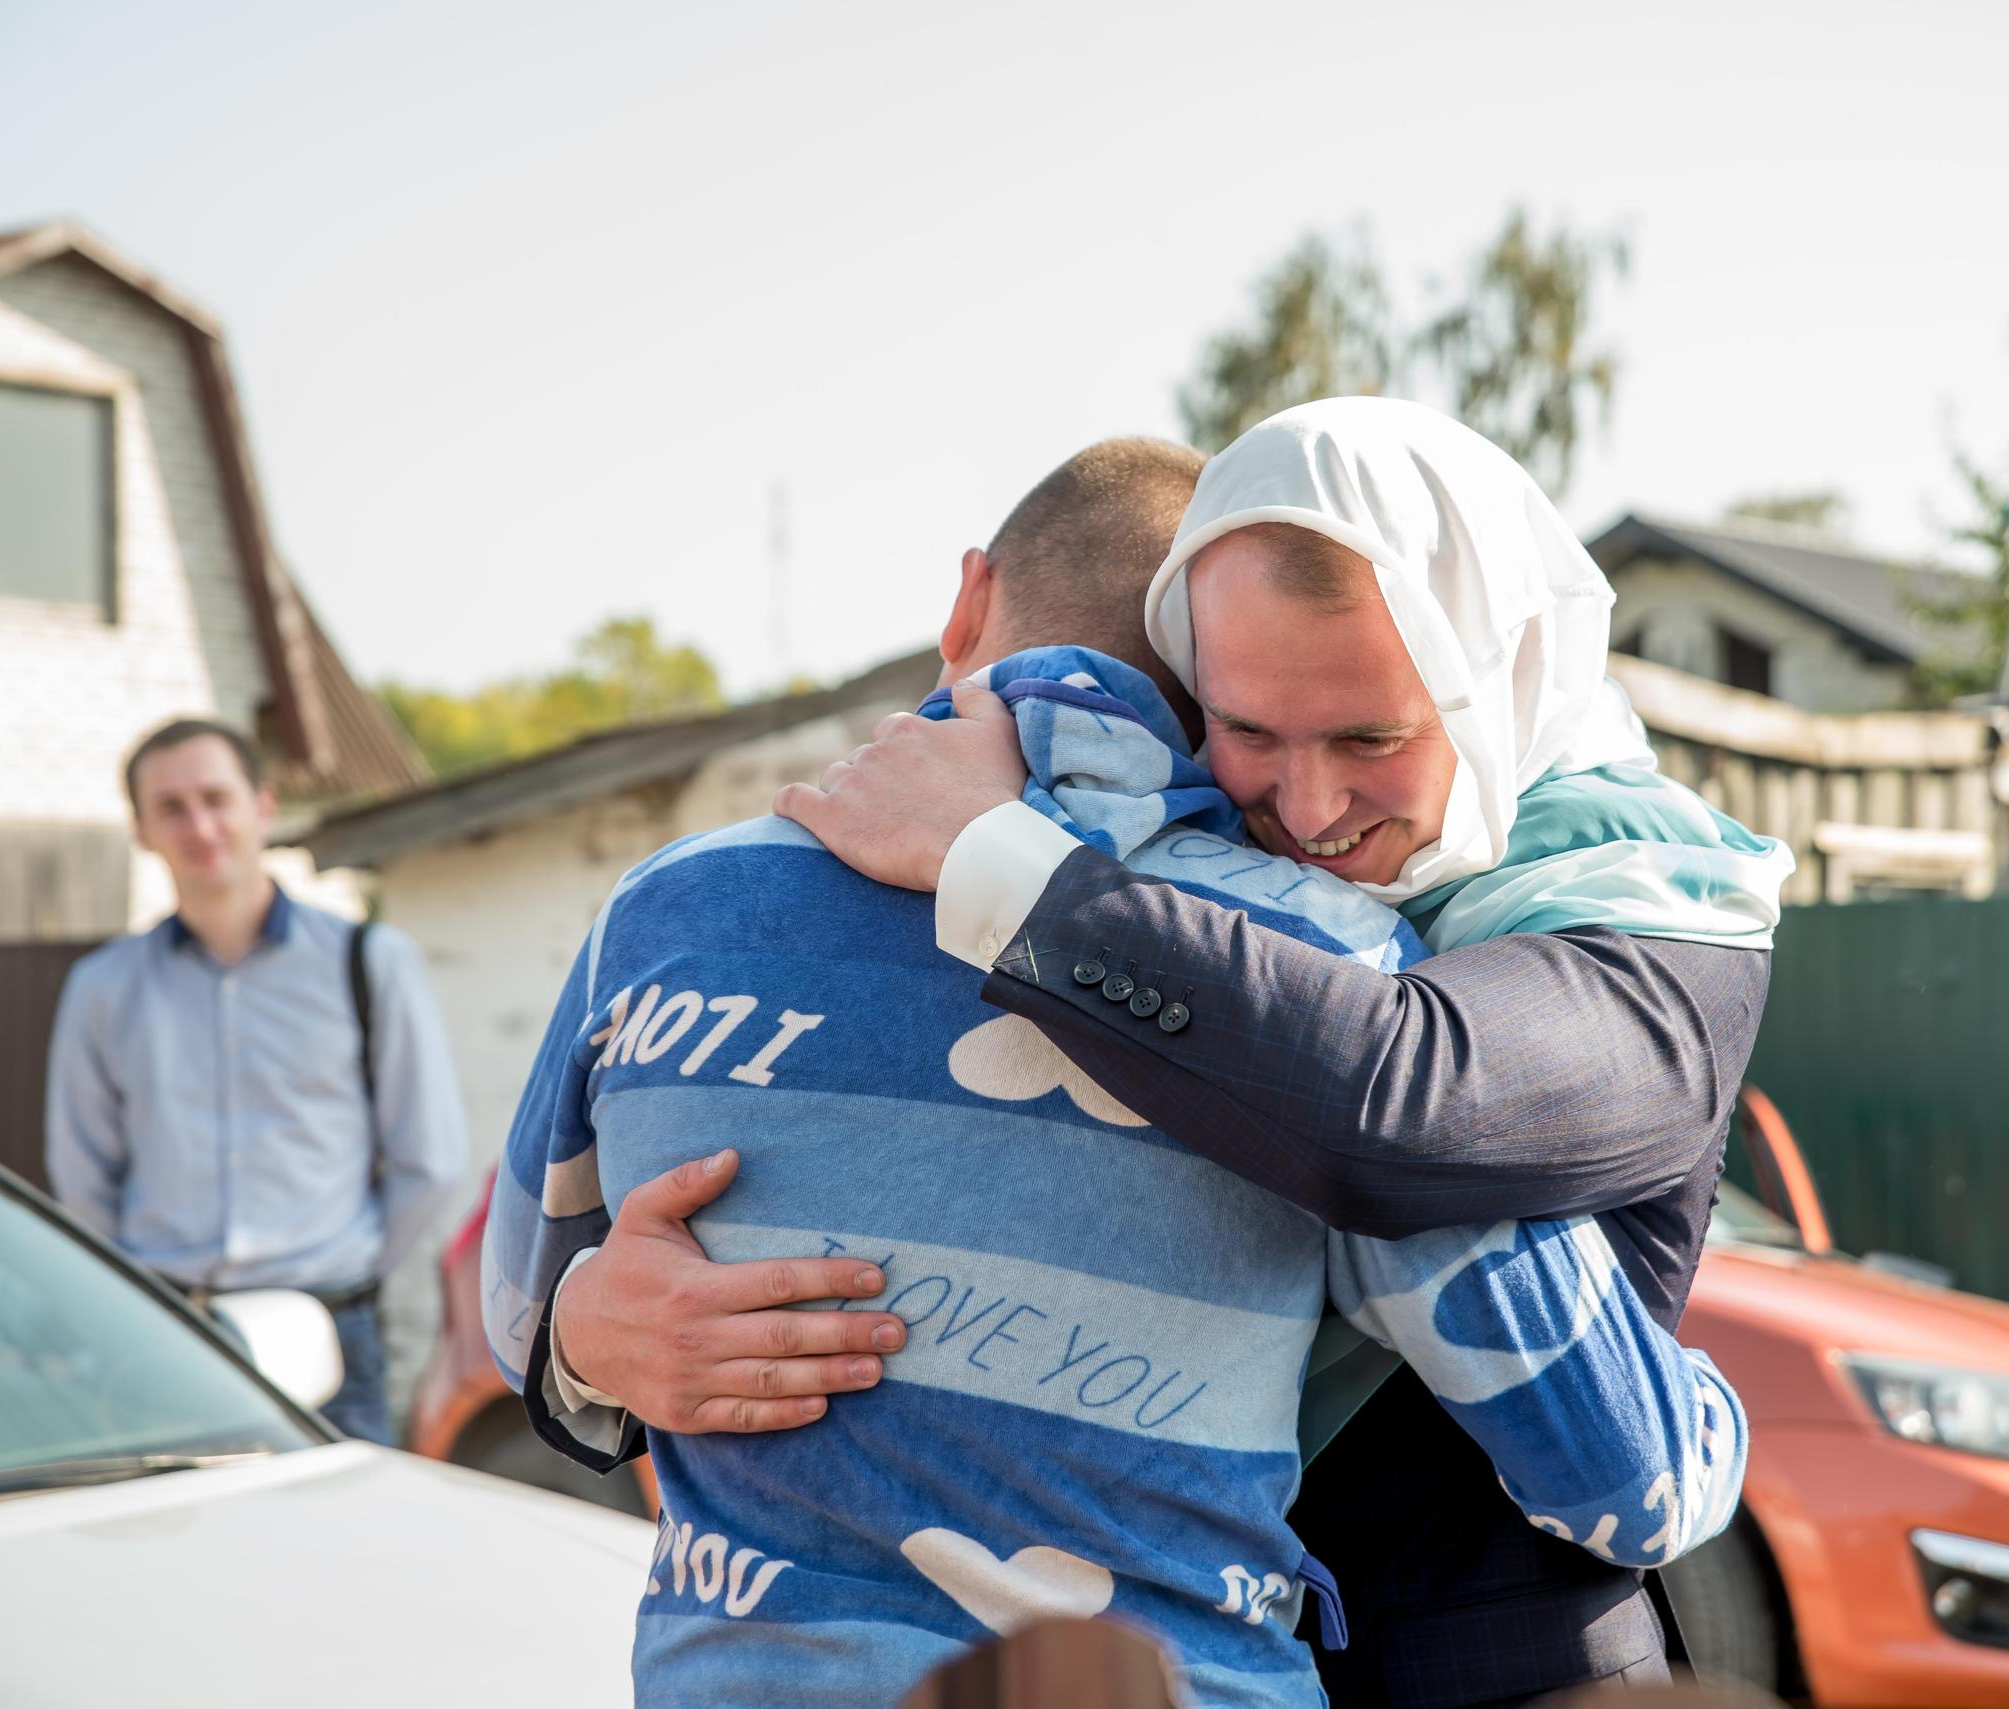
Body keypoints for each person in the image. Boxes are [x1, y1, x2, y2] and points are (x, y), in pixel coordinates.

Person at [483, 439, 1748, 1708]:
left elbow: (514, 1316)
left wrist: (583, 1330)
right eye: (1256, 731)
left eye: (1366, 731)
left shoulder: (664, 907)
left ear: (969, 600)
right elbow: (1615, 1469)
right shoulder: (1319, 955)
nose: (1307, 808)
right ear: (1199, 690)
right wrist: (1712, 1418)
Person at [45, 718, 469, 1444]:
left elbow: (430, 1159)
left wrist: (349, 1272)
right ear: (143, 829)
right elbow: (83, 1173)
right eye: (171, 807)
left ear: (262, 806)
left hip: (329, 1331)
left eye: (216, 796)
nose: (200, 824)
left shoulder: (370, 962)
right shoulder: (102, 987)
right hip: (164, 1332)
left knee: (342, 1548)